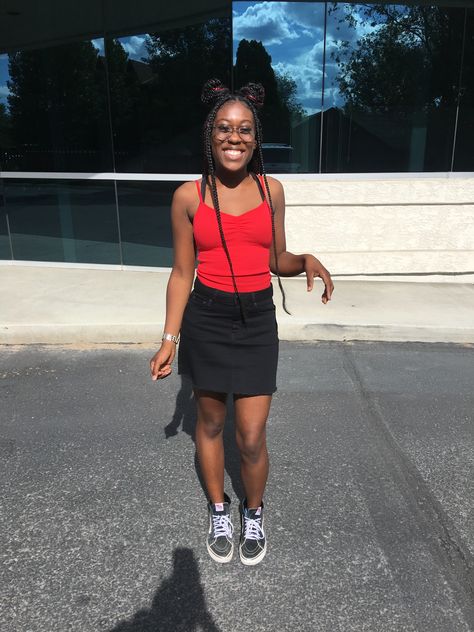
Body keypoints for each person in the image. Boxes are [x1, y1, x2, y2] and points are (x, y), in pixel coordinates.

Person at [150, 78, 333, 566]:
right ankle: (218, 509)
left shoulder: (271, 190)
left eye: (245, 129)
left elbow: (275, 257)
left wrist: (306, 259)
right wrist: (170, 337)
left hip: (256, 321)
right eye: (225, 129)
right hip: (206, 317)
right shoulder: (187, 197)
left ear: (256, 137)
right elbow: (181, 272)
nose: (235, 138)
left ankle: (254, 513)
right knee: (209, 424)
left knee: (250, 434)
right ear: (210, 136)